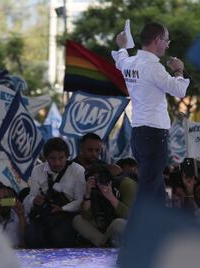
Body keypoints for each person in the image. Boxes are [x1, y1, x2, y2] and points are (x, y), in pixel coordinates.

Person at [112, 22, 190, 204]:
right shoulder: (154, 67)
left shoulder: (130, 62)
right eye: (166, 40)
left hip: (138, 133)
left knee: (155, 186)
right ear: (157, 40)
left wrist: (122, 46)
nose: (168, 44)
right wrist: (179, 69)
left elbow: (120, 60)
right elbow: (179, 90)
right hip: (154, 133)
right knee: (150, 187)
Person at [24, 137, 85, 248]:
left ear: (67, 156)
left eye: (61, 158)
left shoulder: (78, 170)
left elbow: (80, 201)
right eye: (52, 158)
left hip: (66, 215)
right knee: (31, 236)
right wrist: (34, 200)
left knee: (60, 238)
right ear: (46, 158)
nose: (57, 163)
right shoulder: (37, 170)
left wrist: (62, 209)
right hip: (44, 215)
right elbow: (31, 195)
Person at [72, 163, 138, 247]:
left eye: (101, 178)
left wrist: (111, 197)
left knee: (117, 223)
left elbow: (131, 217)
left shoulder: (126, 184)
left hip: (126, 226)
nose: (100, 181)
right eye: (95, 180)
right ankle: (104, 244)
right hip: (105, 227)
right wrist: (88, 194)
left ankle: (104, 243)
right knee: (77, 220)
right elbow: (86, 218)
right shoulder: (93, 190)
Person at [0, 183, 26, 248]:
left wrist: (21, 216)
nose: (2, 202)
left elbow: (24, 241)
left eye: (5, 198)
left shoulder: (16, 213)